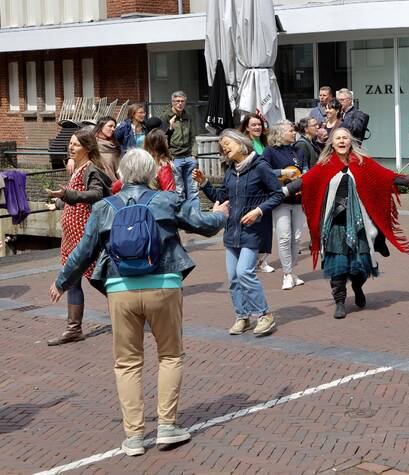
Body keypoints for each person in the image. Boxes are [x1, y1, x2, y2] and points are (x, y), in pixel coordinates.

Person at [48, 149, 228, 457]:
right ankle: (167, 427)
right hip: (163, 284)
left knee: (127, 362)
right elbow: (204, 224)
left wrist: (61, 282)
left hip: (120, 288)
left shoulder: (105, 206)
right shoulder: (166, 199)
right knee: (170, 355)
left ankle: (133, 436)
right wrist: (221, 214)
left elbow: (83, 251)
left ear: (120, 175)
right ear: (152, 173)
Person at [289, 127, 409, 318]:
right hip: (335, 223)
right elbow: (305, 181)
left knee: (361, 265)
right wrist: (283, 191)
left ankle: (357, 286)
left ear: (350, 141)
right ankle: (339, 301)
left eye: (344, 138)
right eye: (337, 138)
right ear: (332, 143)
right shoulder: (325, 166)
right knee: (337, 266)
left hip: (359, 222)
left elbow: (385, 176)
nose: (341, 141)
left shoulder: (362, 163)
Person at [193, 129, 283, 337]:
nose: (224, 147)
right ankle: (242, 317)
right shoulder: (231, 172)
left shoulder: (260, 167)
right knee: (233, 277)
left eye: (227, 143)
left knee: (244, 272)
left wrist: (258, 211)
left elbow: (277, 194)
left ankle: (264, 315)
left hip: (253, 230)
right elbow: (221, 197)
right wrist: (205, 183)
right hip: (232, 230)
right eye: (222, 145)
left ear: (241, 143)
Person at [44, 127, 112, 345]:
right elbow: (74, 195)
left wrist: (67, 194)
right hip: (70, 238)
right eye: (70, 143)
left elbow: (95, 194)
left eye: (75, 144)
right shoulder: (78, 168)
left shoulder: (91, 170)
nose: (70, 147)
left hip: (84, 235)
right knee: (73, 280)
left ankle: (130, 309)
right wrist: (58, 201)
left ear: (88, 148)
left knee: (98, 279)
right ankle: (74, 329)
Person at [262, 120, 308, 290]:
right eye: (290, 130)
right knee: (284, 237)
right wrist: (282, 172)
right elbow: (263, 171)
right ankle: (287, 274)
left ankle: (292, 271)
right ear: (280, 133)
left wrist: (305, 174)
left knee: (296, 238)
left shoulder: (299, 151)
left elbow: (304, 170)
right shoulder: (270, 151)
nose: (294, 133)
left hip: (298, 199)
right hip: (280, 199)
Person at [238, 114, 273, 272]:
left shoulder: (264, 143)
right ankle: (251, 259)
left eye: (259, 124)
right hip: (252, 190)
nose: (257, 127)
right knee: (254, 226)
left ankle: (261, 260)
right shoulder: (246, 145)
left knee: (265, 226)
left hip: (265, 190)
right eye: (254, 125)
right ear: (246, 127)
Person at [161, 91, 198, 202]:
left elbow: (193, 136)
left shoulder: (188, 116)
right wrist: (168, 156)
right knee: (179, 189)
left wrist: (194, 155)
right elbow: (162, 137)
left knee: (193, 189)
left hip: (188, 157)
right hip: (174, 157)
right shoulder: (165, 117)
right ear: (172, 102)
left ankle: (194, 212)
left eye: (182, 101)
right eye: (177, 101)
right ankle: (181, 213)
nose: (180, 104)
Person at [94, 116, 121, 180]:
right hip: (97, 183)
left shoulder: (114, 146)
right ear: (101, 126)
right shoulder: (92, 143)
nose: (113, 129)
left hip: (115, 185)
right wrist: (71, 159)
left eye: (114, 127)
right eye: (110, 126)